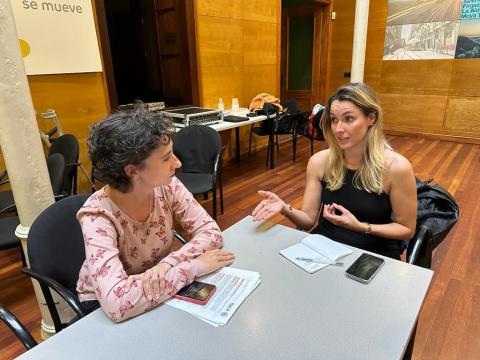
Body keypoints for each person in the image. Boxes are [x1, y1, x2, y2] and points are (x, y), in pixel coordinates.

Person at [76, 106, 235, 322]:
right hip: (102, 307)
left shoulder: (167, 186)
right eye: (166, 157)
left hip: (157, 283)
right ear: (133, 171)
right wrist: (194, 266)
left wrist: (168, 264)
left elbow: (211, 232)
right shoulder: (98, 216)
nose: (177, 163)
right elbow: (116, 304)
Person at [252, 83, 416, 259]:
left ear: (371, 118)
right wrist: (285, 208)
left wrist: (360, 227)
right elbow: (308, 221)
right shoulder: (319, 162)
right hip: (325, 249)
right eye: (334, 119)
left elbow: (406, 230)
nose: (338, 129)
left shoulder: (396, 167)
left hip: (372, 253)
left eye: (349, 119)